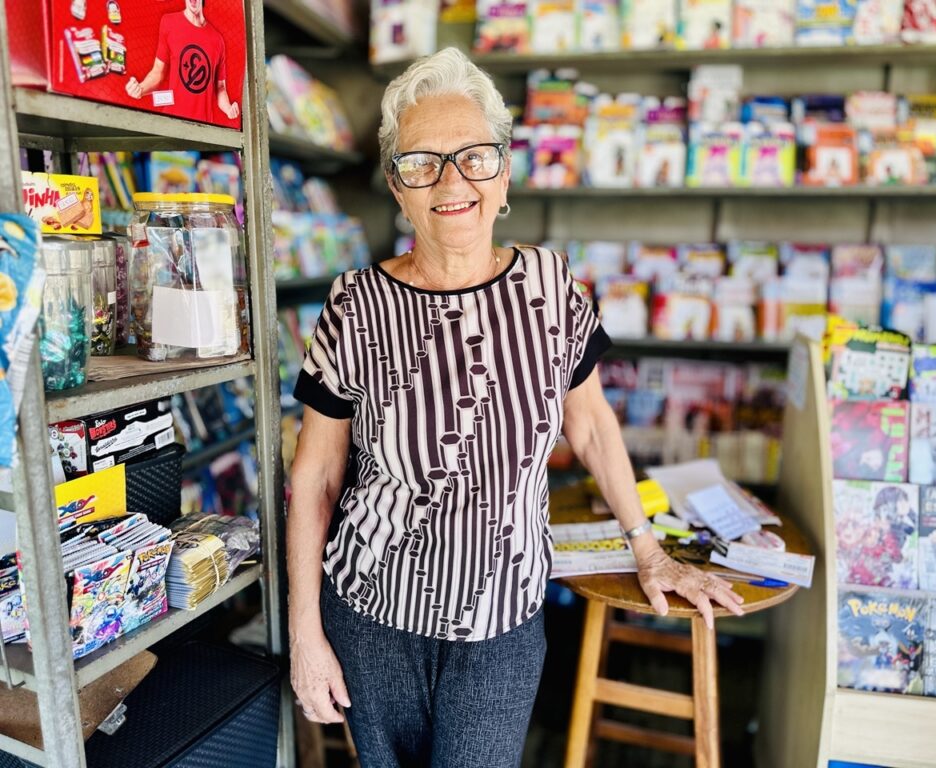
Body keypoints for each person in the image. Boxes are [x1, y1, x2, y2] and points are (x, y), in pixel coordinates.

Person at [286, 47, 744, 768]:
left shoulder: (551, 286)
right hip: (371, 614)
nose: (451, 182)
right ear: (397, 187)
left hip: (502, 618)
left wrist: (649, 549)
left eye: (474, 157)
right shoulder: (355, 304)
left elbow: (590, 426)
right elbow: (315, 477)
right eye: (421, 163)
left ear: (503, 174)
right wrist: (305, 635)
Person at [125, 0, 239, 123]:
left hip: (203, 126)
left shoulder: (217, 40)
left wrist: (228, 109)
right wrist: (141, 89)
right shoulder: (169, 22)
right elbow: (158, 71)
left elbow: (220, 87)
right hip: (172, 122)